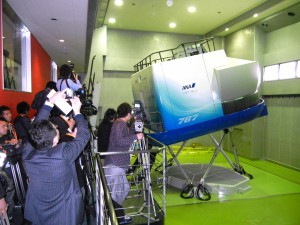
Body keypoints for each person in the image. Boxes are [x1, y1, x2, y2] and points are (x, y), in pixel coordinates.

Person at [22, 89, 90, 225]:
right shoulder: (62, 154)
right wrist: (77, 112)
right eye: (56, 129)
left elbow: (35, 128)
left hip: (38, 212)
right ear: (54, 140)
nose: (57, 128)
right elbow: (84, 136)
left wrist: (50, 102)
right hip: (65, 215)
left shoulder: (27, 154)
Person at [104, 102, 144, 225]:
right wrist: (136, 137)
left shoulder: (120, 124)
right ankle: (119, 218)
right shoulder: (119, 125)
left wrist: (136, 125)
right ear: (128, 114)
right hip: (115, 164)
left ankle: (117, 215)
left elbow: (126, 136)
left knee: (122, 189)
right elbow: (120, 142)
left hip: (117, 164)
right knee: (117, 193)